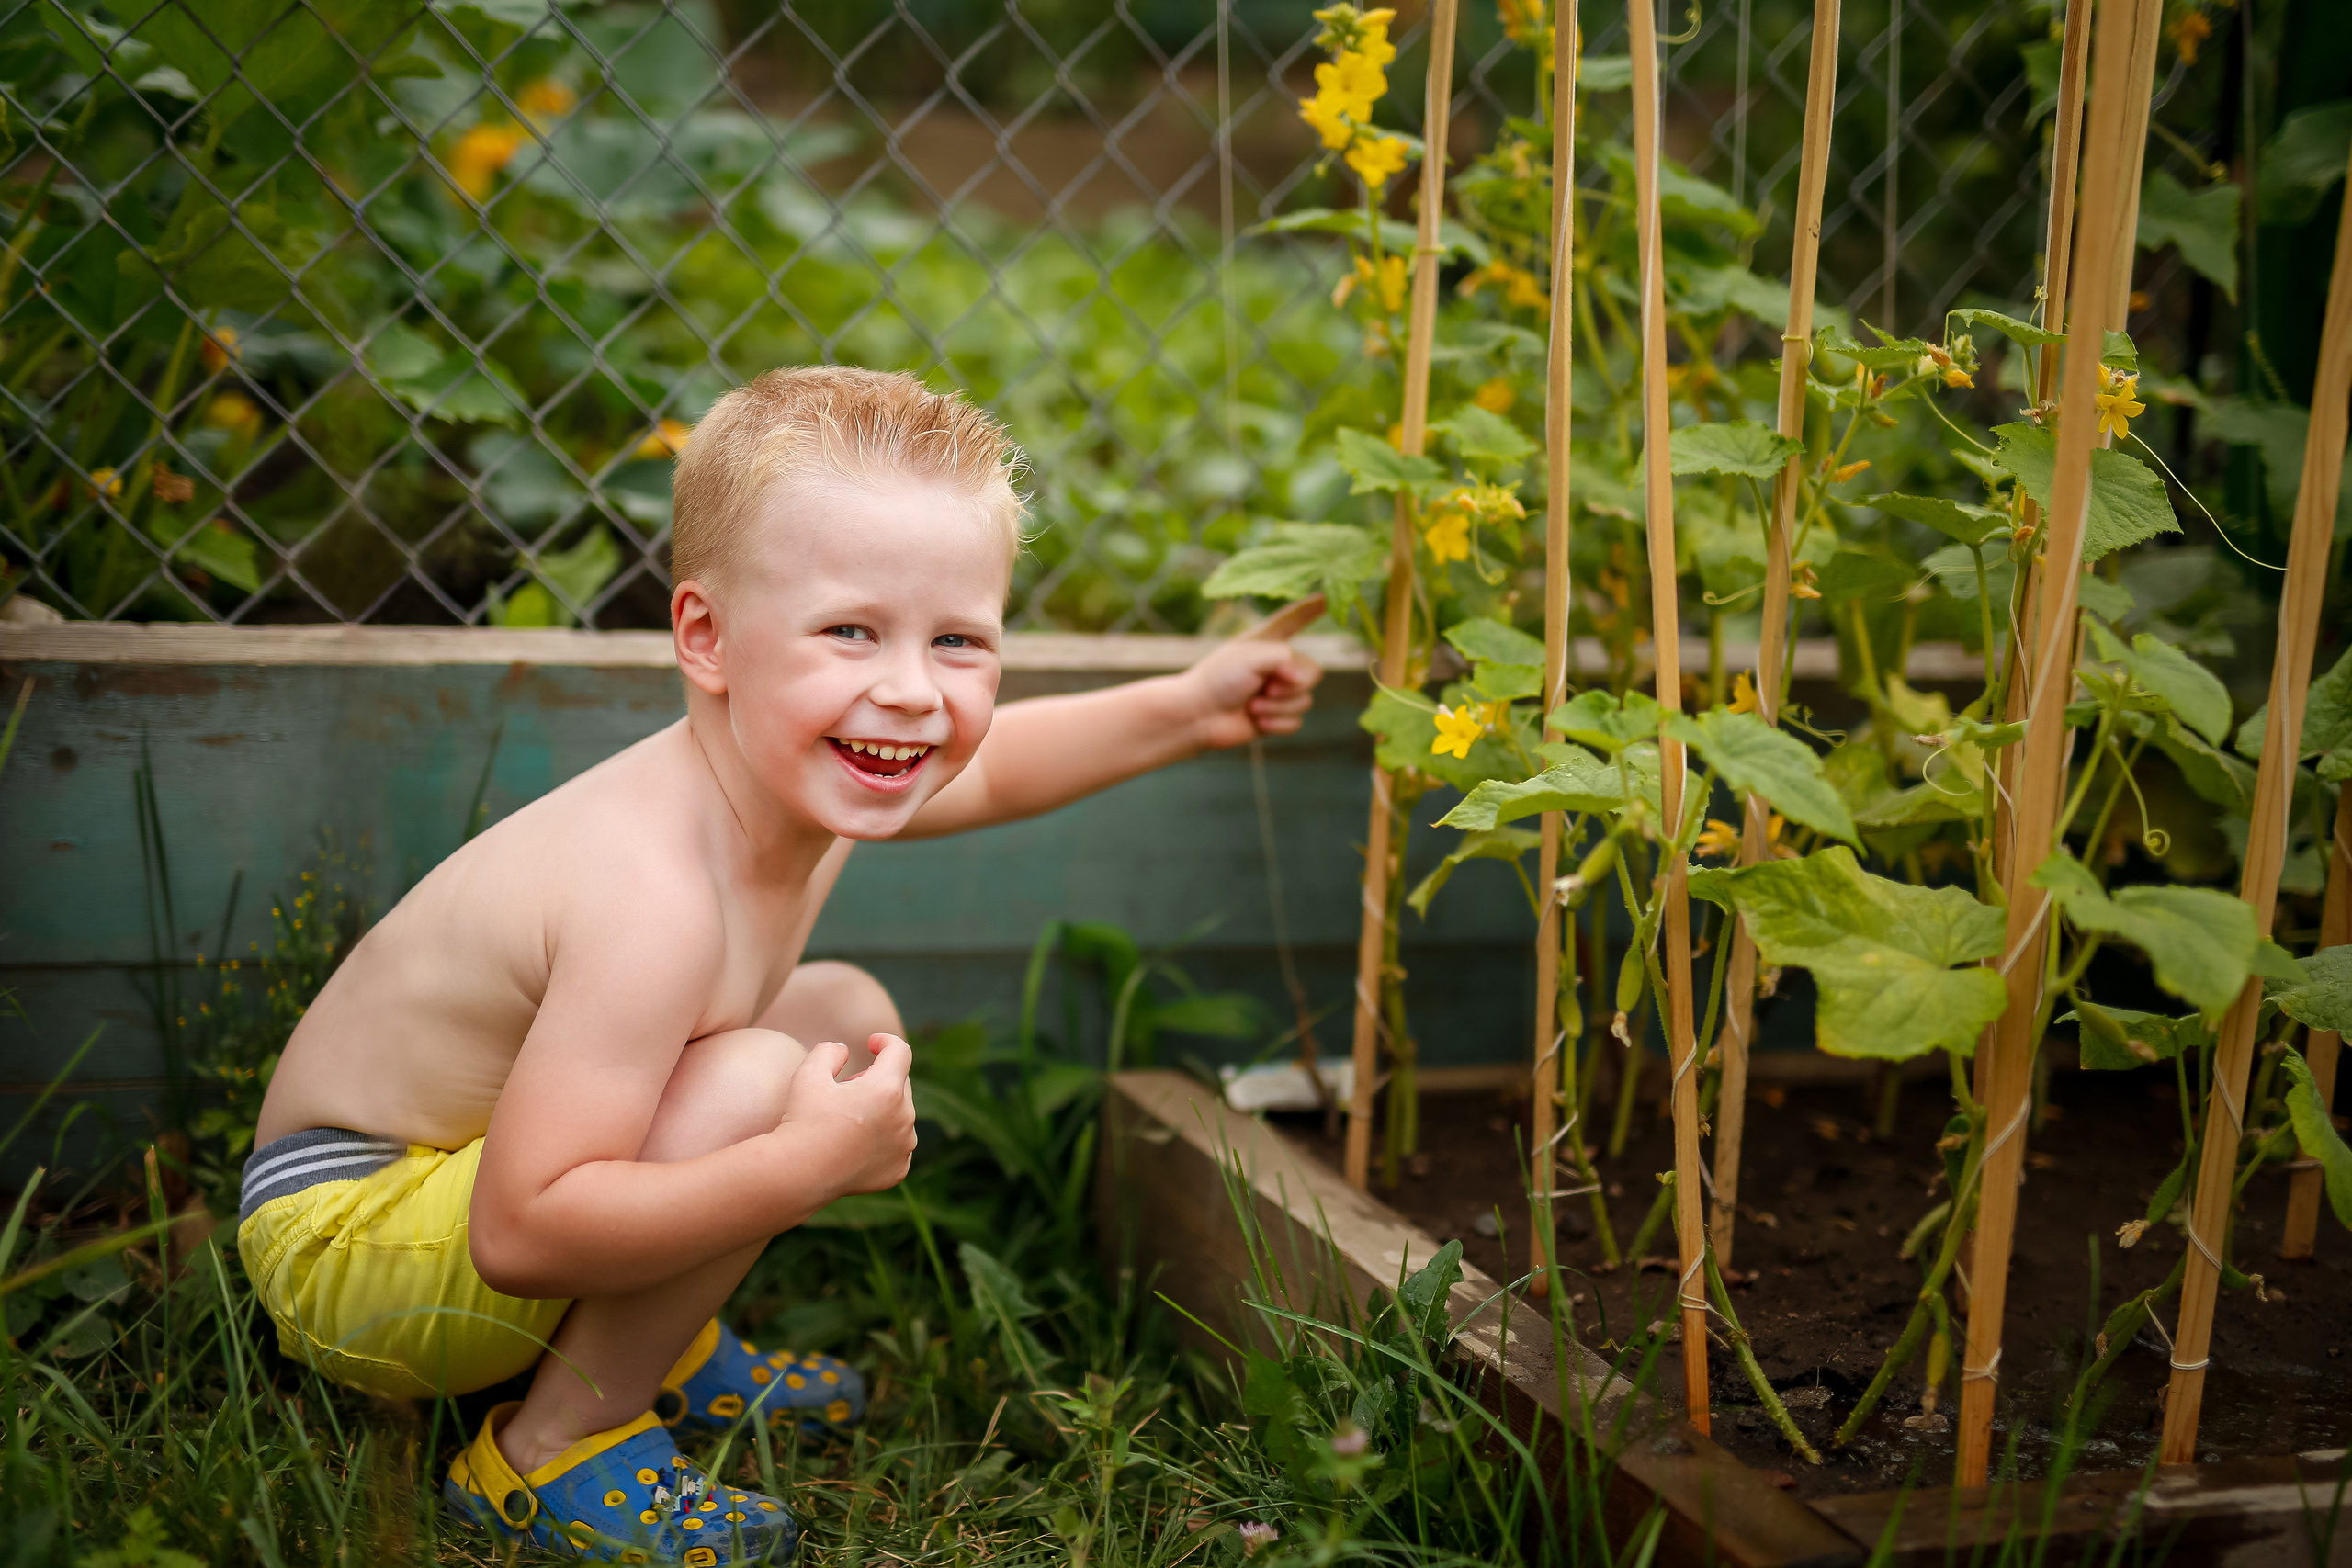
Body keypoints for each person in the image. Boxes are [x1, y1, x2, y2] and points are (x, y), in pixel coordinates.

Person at [237, 367, 1321, 1565]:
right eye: (851, 629)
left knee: (837, 1021)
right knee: (765, 1084)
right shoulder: (654, 898)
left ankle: (653, 1334)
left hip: (459, 1187)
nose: (910, 692)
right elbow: (523, 1235)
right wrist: (800, 1167)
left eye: (957, 639)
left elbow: (994, 764)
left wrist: (1188, 705)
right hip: (354, 1242)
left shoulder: (799, 765)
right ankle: (550, 1454)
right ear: (706, 636)